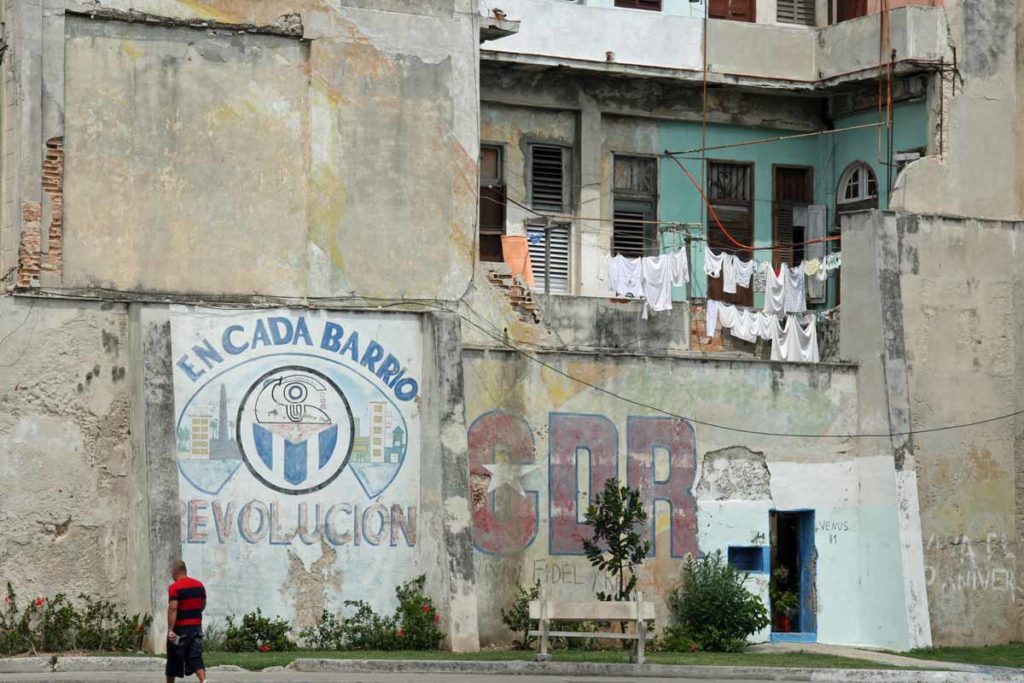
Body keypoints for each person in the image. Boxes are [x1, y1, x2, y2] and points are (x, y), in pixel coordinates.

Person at [166, 560, 207, 683]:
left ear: (175, 571)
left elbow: (173, 608)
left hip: (180, 629)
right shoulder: (199, 585)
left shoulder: (174, 587)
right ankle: (204, 681)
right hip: (196, 628)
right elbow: (202, 605)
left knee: (173, 657)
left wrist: (170, 630)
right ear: (185, 570)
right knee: (195, 656)